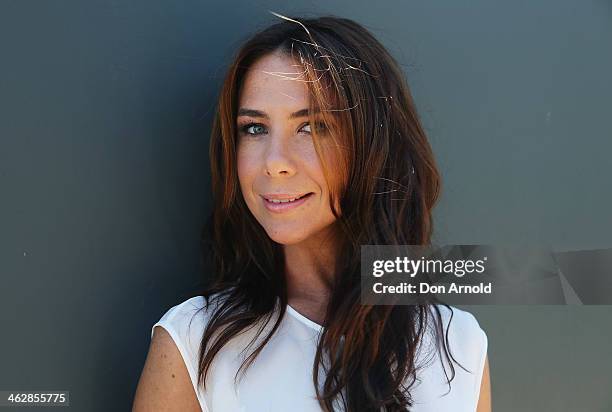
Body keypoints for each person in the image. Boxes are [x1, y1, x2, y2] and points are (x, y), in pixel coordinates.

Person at [133, 13, 490, 412]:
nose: (274, 163)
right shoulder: (192, 342)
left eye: (312, 127)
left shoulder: (458, 343)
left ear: (370, 146)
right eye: (254, 128)